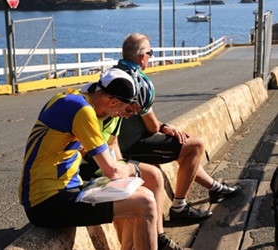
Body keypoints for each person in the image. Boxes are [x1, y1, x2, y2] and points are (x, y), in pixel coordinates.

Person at [18, 68, 158, 250]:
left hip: (62, 189)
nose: (120, 115)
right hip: (46, 201)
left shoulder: (70, 98)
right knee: (144, 204)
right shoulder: (82, 110)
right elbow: (112, 171)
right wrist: (133, 168)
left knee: (143, 195)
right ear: (113, 101)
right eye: (121, 110)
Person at [115, 32, 242, 223]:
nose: (151, 57)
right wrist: (164, 127)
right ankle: (179, 207)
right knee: (195, 145)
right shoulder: (139, 82)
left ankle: (215, 188)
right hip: (132, 147)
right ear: (142, 57)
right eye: (150, 53)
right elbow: (152, 127)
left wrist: (164, 128)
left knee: (182, 144)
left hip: (118, 146)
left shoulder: (116, 73)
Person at [80, 84, 183, 250]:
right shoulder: (94, 111)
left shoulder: (118, 114)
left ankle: (158, 236)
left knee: (153, 175)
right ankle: (128, 246)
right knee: (133, 198)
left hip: (107, 162)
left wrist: (121, 166)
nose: (127, 116)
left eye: (133, 113)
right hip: (88, 167)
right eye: (129, 110)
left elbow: (113, 143)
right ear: (118, 102)